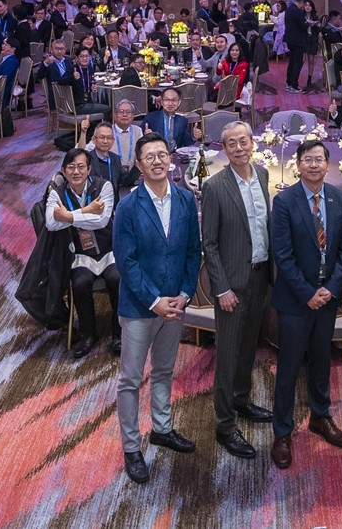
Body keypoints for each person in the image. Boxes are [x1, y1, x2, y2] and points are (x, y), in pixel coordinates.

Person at [113, 133, 202, 485]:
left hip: (175, 304)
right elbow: (126, 261)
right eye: (149, 156)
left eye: (162, 154)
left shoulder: (184, 198)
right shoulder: (128, 207)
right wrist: (154, 301)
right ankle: (131, 448)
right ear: (139, 164)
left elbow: (193, 251)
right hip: (140, 307)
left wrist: (185, 292)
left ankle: (162, 429)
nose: (157, 161)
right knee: (131, 379)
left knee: (164, 370)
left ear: (170, 159)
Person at [268, 139, 342, 469]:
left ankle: (320, 416)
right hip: (296, 300)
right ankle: (282, 431)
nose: (314, 165)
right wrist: (308, 293)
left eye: (319, 159)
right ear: (298, 165)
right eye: (308, 159)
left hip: (327, 299)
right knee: (289, 366)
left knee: (321, 360)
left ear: (328, 165)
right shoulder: (284, 201)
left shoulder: (338, 198)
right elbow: (282, 255)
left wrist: (330, 289)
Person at [200, 121, 275, 458]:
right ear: (224, 148)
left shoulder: (262, 174)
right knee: (228, 355)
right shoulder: (215, 187)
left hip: (260, 277)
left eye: (243, 141)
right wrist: (221, 288)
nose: (239, 148)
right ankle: (225, 425)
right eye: (232, 143)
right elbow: (210, 243)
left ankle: (241, 400)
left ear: (252, 143)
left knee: (248, 347)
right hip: (231, 285)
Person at [48, 148, 119, 358]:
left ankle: (119, 334)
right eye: (71, 167)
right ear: (64, 171)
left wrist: (67, 217)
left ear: (89, 169)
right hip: (80, 254)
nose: (76, 171)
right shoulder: (56, 193)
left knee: (117, 278)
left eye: (81, 166)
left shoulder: (104, 186)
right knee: (79, 283)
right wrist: (87, 211)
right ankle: (88, 334)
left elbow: (101, 221)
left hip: (108, 249)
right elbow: (51, 224)